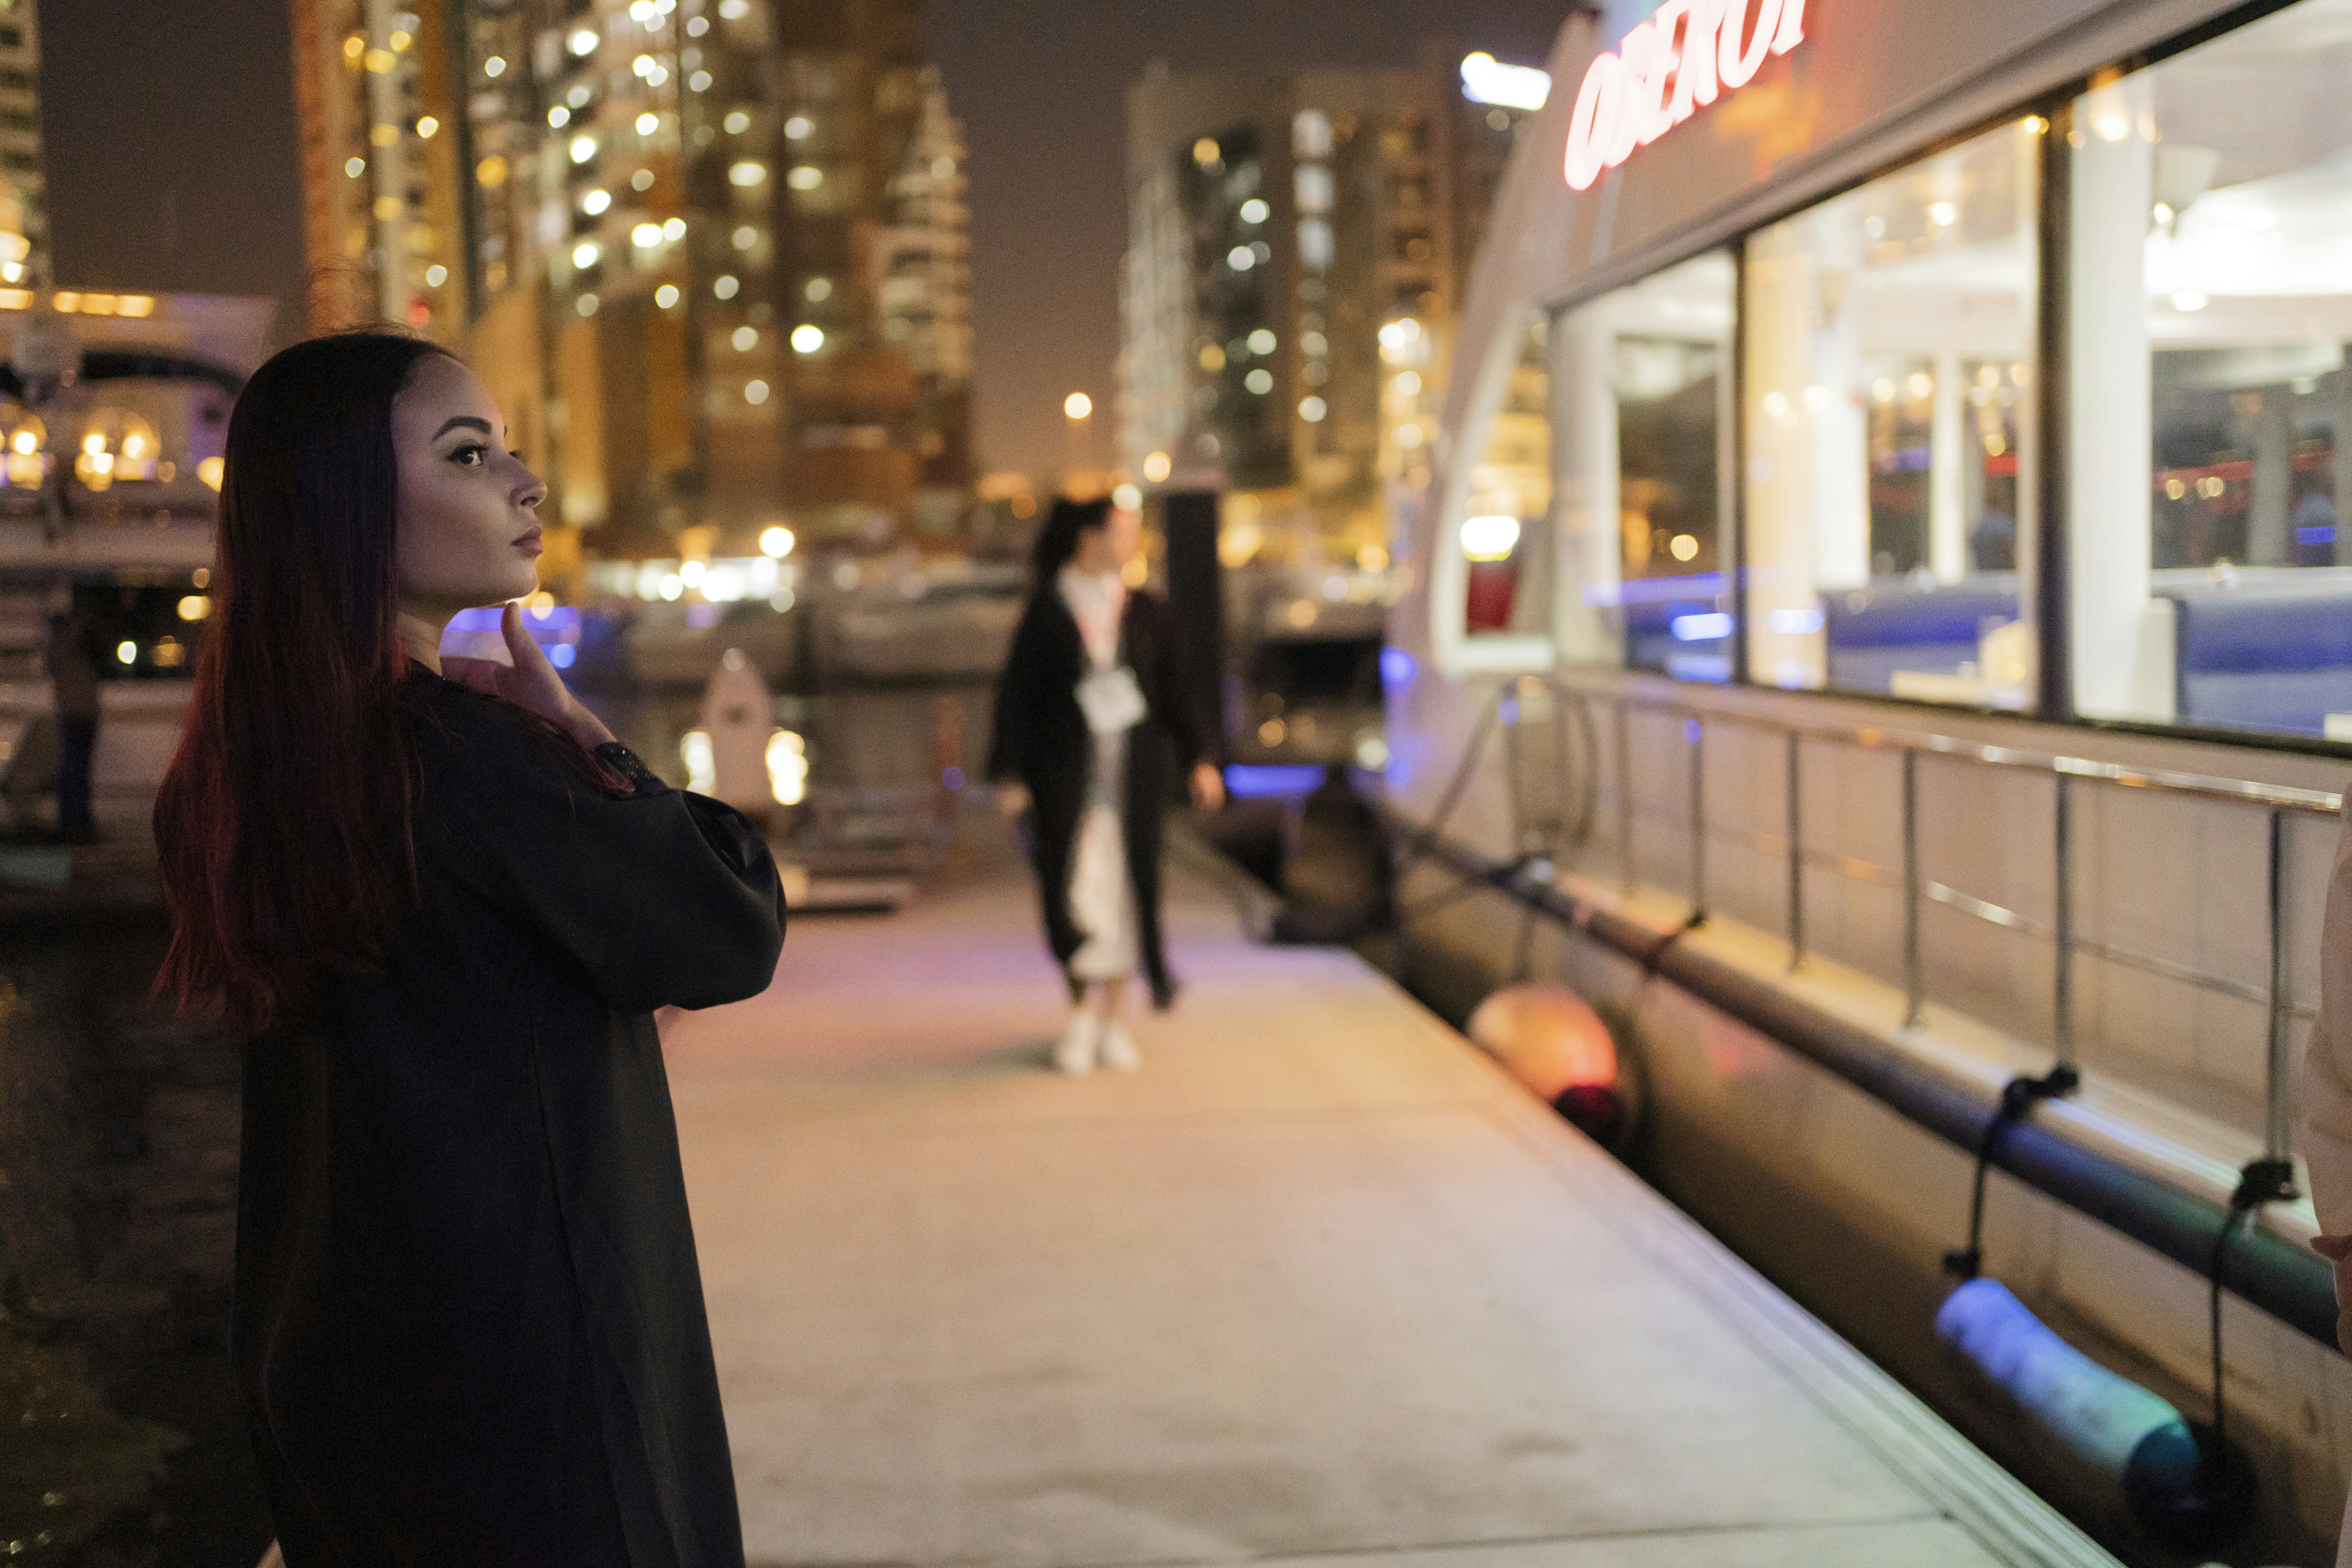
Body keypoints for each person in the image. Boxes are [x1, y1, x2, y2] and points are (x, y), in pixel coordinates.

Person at [151, 331, 785, 1567]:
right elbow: (730, 922)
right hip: (540, 1397)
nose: (524, 479)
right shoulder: (468, 759)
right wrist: (589, 740)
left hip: (346, 1377)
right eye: (468, 452)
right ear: (350, 506)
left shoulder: (250, 776)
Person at [987, 496, 1221, 1075]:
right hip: (1066, 779)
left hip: (1132, 779)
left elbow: (1177, 691)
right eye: (1121, 532)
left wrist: (1200, 758)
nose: (1131, 542)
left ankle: (1111, 1018)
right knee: (1072, 893)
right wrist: (1010, 773)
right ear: (1089, 538)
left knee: (1126, 893)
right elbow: (1017, 697)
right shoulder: (1048, 610)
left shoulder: (1147, 611)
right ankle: (1079, 1014)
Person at [45, 596, 99, 842]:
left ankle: (74, 823)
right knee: (75, 772)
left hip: (77, 715)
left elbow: (52, 665)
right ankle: (77, 823)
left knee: (73, 772)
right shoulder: (71, 646)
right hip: (80, 714)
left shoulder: (65, 646)